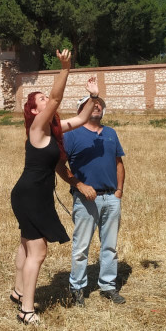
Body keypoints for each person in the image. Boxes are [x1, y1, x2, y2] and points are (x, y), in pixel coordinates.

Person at [10, 50, 100, 325]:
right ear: (35, 111)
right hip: (30, 195)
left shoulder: (54, 129)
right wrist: (65, 68)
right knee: (38, 252)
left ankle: (17, 291)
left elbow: (83, 119)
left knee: (27, 246)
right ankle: (26, 310)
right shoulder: (37, 128)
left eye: (45, 97)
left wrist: (93, 96)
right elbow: (58, 98)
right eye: (42, 100)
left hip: (32, 194)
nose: (48, 100)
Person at [56, 94, 126, 306]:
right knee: (81, 247)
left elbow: (118, 163)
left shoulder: (111, 133)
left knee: (110, 246)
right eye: (91, 105)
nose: (97, 107)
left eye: (100, 105)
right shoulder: (72, 135)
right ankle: (77, 288)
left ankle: (108, 286)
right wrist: (79, 185)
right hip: (86, 199)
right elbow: (59, 166)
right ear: (81, 110)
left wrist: (119, 191)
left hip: (111, 197)